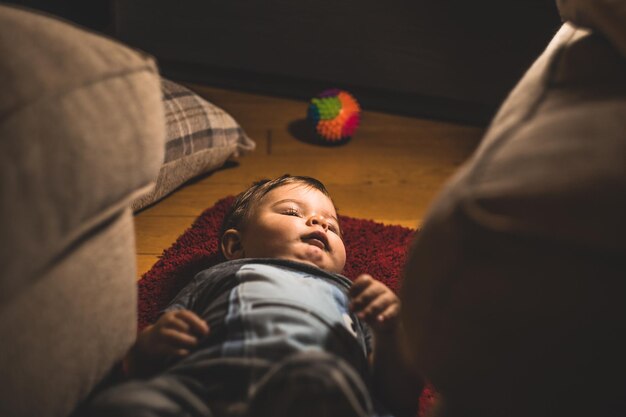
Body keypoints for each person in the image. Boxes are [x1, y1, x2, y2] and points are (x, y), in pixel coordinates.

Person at [83, 175, 422, 417]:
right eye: (292, 212)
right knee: (126, 404)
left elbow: (399, 397)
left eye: (333, 227)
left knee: (321, 378)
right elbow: (166, 336)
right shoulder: (220, 275)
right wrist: (149, 347)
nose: (320, 222)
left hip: (313, 389)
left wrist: (390, 333)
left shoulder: (352, 293)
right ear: (235, 246)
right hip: (206, 386)